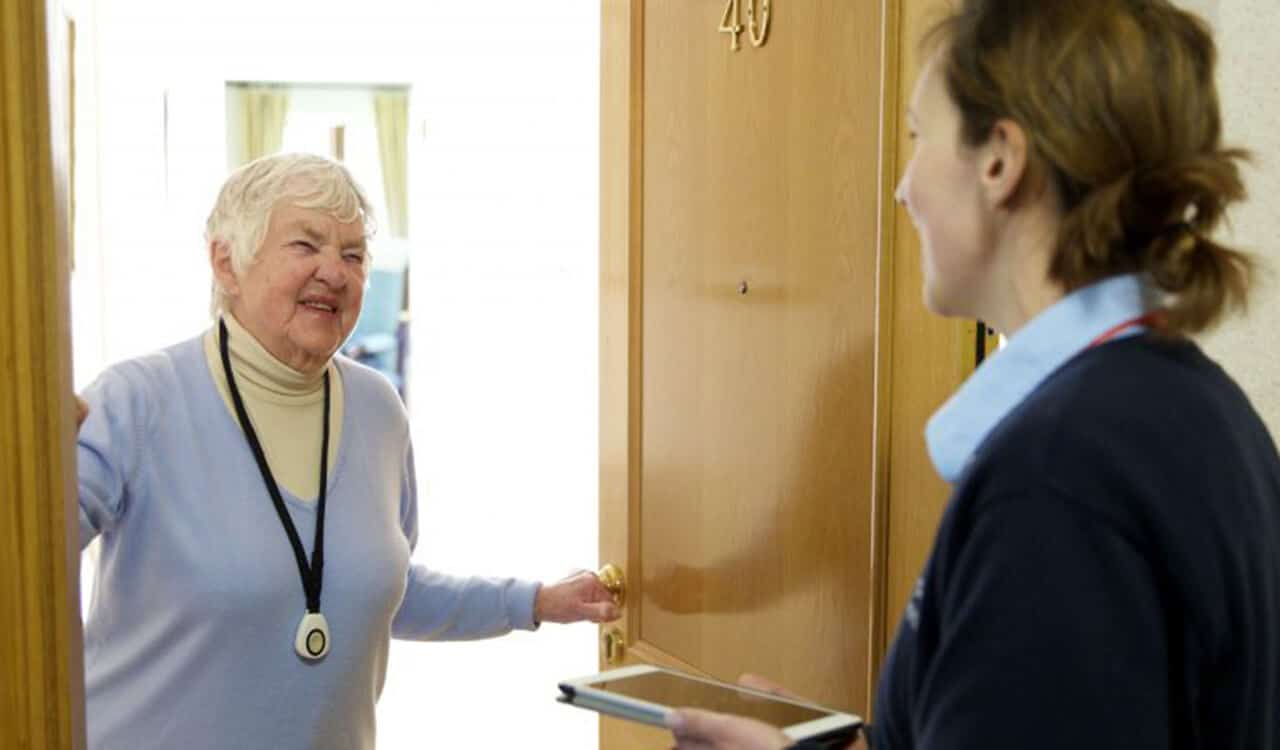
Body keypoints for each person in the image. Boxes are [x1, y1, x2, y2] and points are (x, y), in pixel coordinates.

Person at [668, 0, 1280, 748]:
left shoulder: (1059, 475)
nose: (903, 189)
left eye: (920, 136)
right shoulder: (1199, 408)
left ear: (999, 160)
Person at [74, 152, 618, 749]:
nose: (335, 273)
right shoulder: (137, 401)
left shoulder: (378, 409)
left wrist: (533, 602)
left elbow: (375, 588)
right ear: (226, 262)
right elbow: (25, 559)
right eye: (306, 246)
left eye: (354, 255)